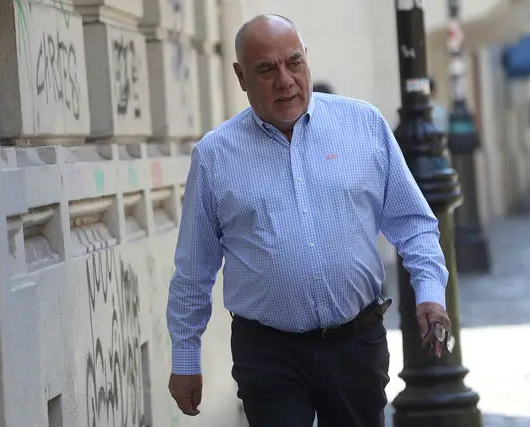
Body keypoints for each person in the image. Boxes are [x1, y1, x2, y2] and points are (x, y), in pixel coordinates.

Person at [167, 14, 453, 427]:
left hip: (356, 343)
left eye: (294, 62)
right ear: (241, 76)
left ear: (306, 59)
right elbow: (193, 268)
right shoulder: (215, 156)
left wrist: (430, 293)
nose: (285, 80)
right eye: (267, 69)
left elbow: (413, 223)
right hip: (268, 353)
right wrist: (185, 357)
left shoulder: (364, 126)